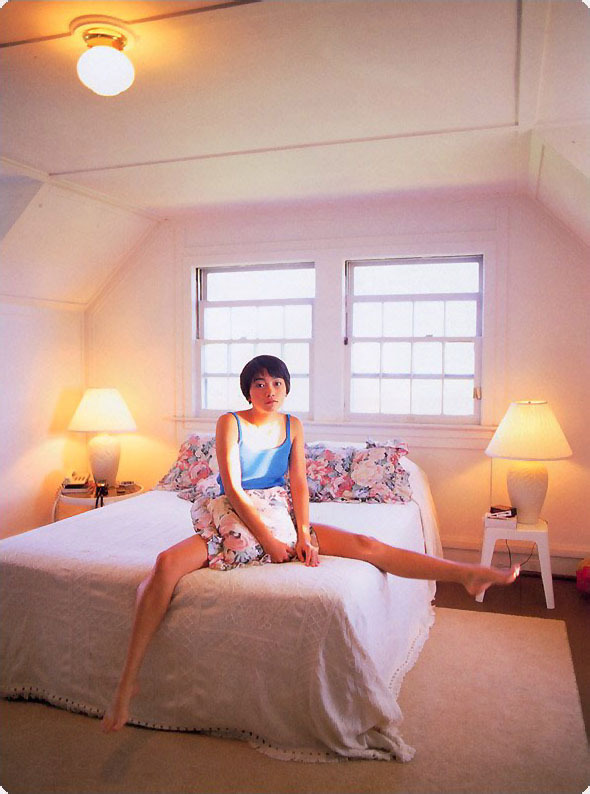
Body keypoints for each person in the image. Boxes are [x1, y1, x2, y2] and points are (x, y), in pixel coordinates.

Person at [101, 355, 519, 733]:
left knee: (366, 544)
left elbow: (299, 483)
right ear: (248, 390)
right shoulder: (230, 422)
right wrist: (268, 541)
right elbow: (232, 486)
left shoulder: (292, 425)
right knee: (165, 564)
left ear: (287, 388)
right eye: (260, 384)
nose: (270, 391)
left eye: (277, 383)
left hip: (277, 511)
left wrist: (302, 533)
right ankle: (127, 683)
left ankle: (467, 574)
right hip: (236, 512)